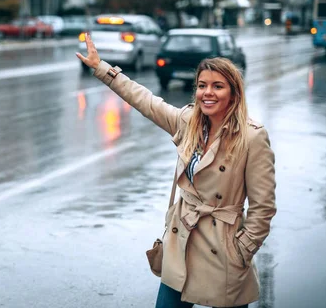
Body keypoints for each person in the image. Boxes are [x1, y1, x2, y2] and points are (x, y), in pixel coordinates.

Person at [76, 34, 276, 308]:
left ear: (233, 93)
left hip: (224, 248)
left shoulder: (251, 137)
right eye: (202, 85)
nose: (208, 93)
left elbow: (263, 206)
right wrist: (102, 69)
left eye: (218, 86)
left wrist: (243, 249)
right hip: (182, 238)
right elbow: (146, 101)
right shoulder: (188, 122)